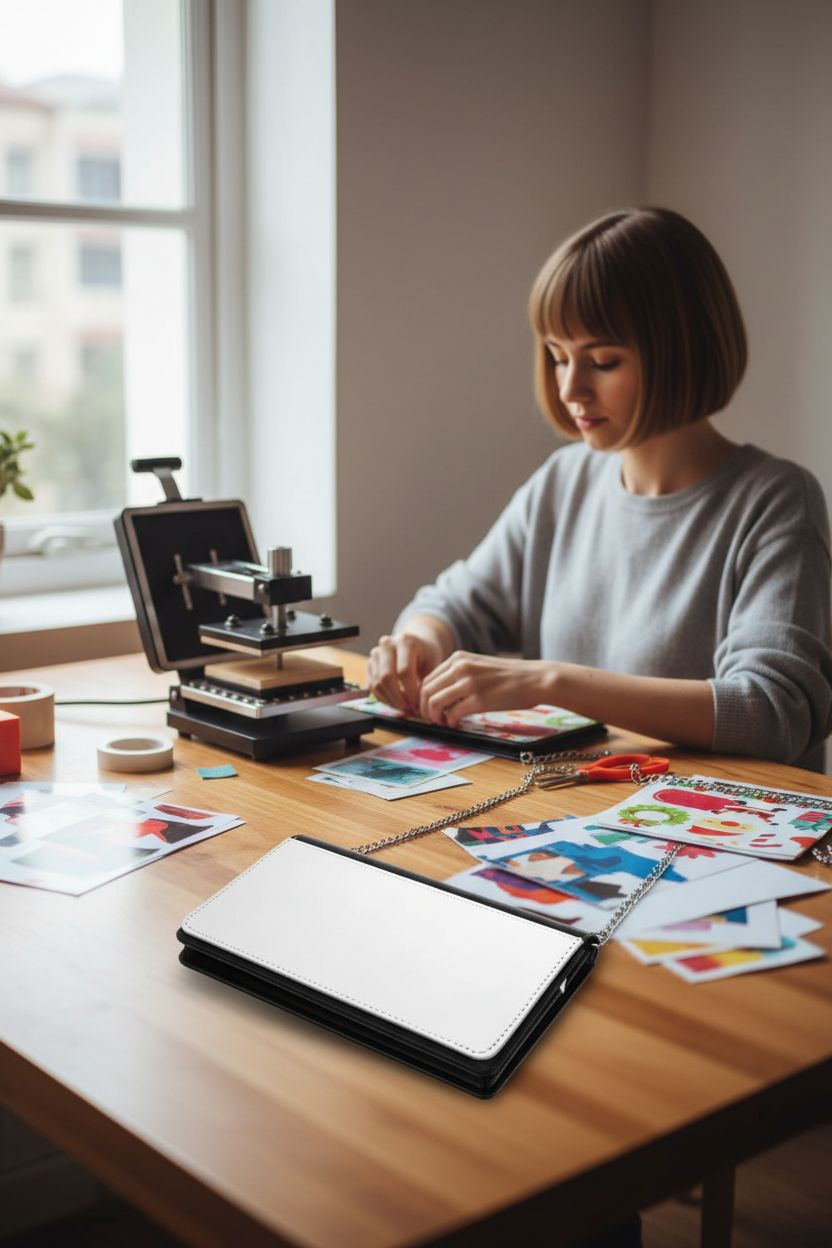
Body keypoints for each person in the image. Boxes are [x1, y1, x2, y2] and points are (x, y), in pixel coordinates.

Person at [368, 207, 832, 770]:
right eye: (558, 357)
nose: (570, 388)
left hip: (725, 839)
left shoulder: (775, 501)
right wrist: (419, 640)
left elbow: (771, 711)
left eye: (603, 361)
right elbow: (453, 604)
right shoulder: (565, 481)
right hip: (580, 816)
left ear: (682, 350)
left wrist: (551, 682)